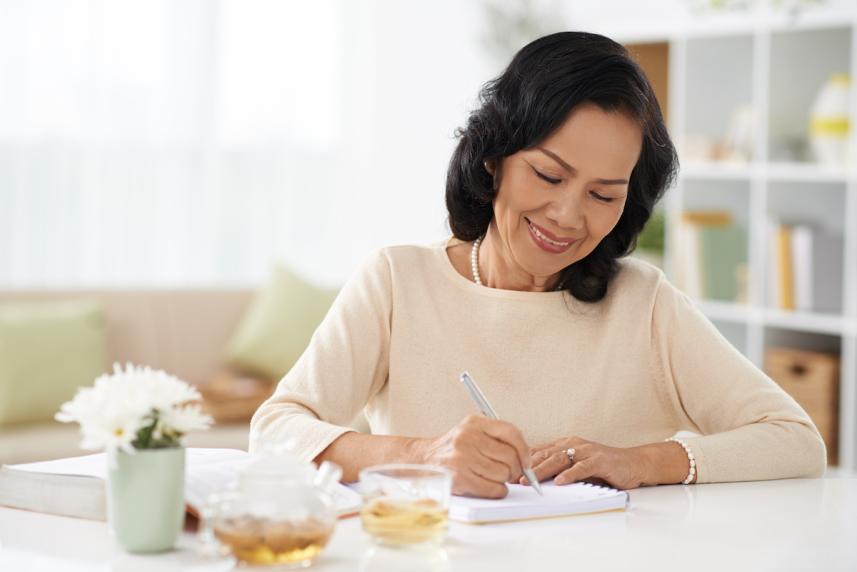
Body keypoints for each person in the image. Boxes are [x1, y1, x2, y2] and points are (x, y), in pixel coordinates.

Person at [249, 31, 826, 498]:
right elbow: (275, 431)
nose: (568, 217)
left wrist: (641, 462)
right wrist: (422, 455)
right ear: (493, 159)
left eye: (604, 195)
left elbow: (796, 440)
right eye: (548, 175)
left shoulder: (645, 303)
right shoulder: (398, 282)